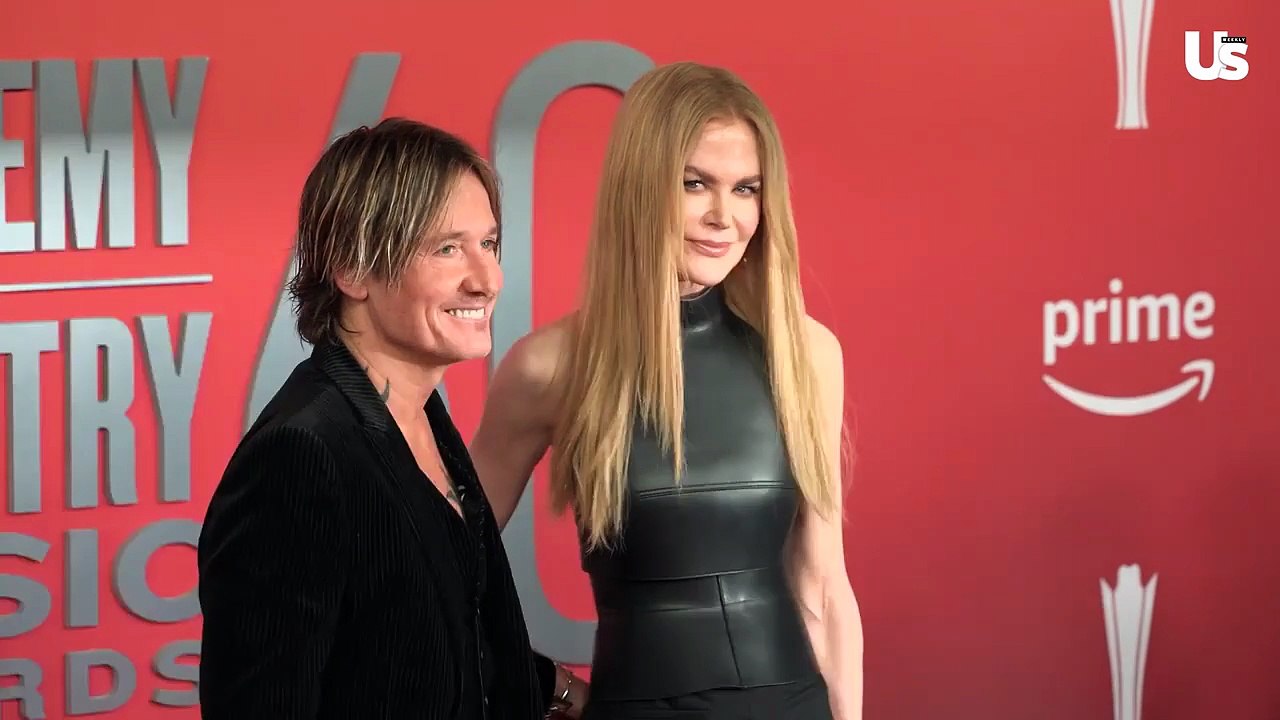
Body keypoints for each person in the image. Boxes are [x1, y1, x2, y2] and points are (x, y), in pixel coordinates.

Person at [469, 62, 864, 720]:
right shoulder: (549, 366)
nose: (723, 216)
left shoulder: (807, 353)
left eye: (745, 189)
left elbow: (822, 585)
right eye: (694, 185)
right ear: (640, 189)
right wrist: (540, 681)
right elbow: (440, 564)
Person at [196, 118, 584, 720]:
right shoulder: (300, 457)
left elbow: (421, 642)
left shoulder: (422, 413)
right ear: (352, 269)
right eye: (447, 248)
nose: (485, 280)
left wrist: (562, 693)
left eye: (489, 244)